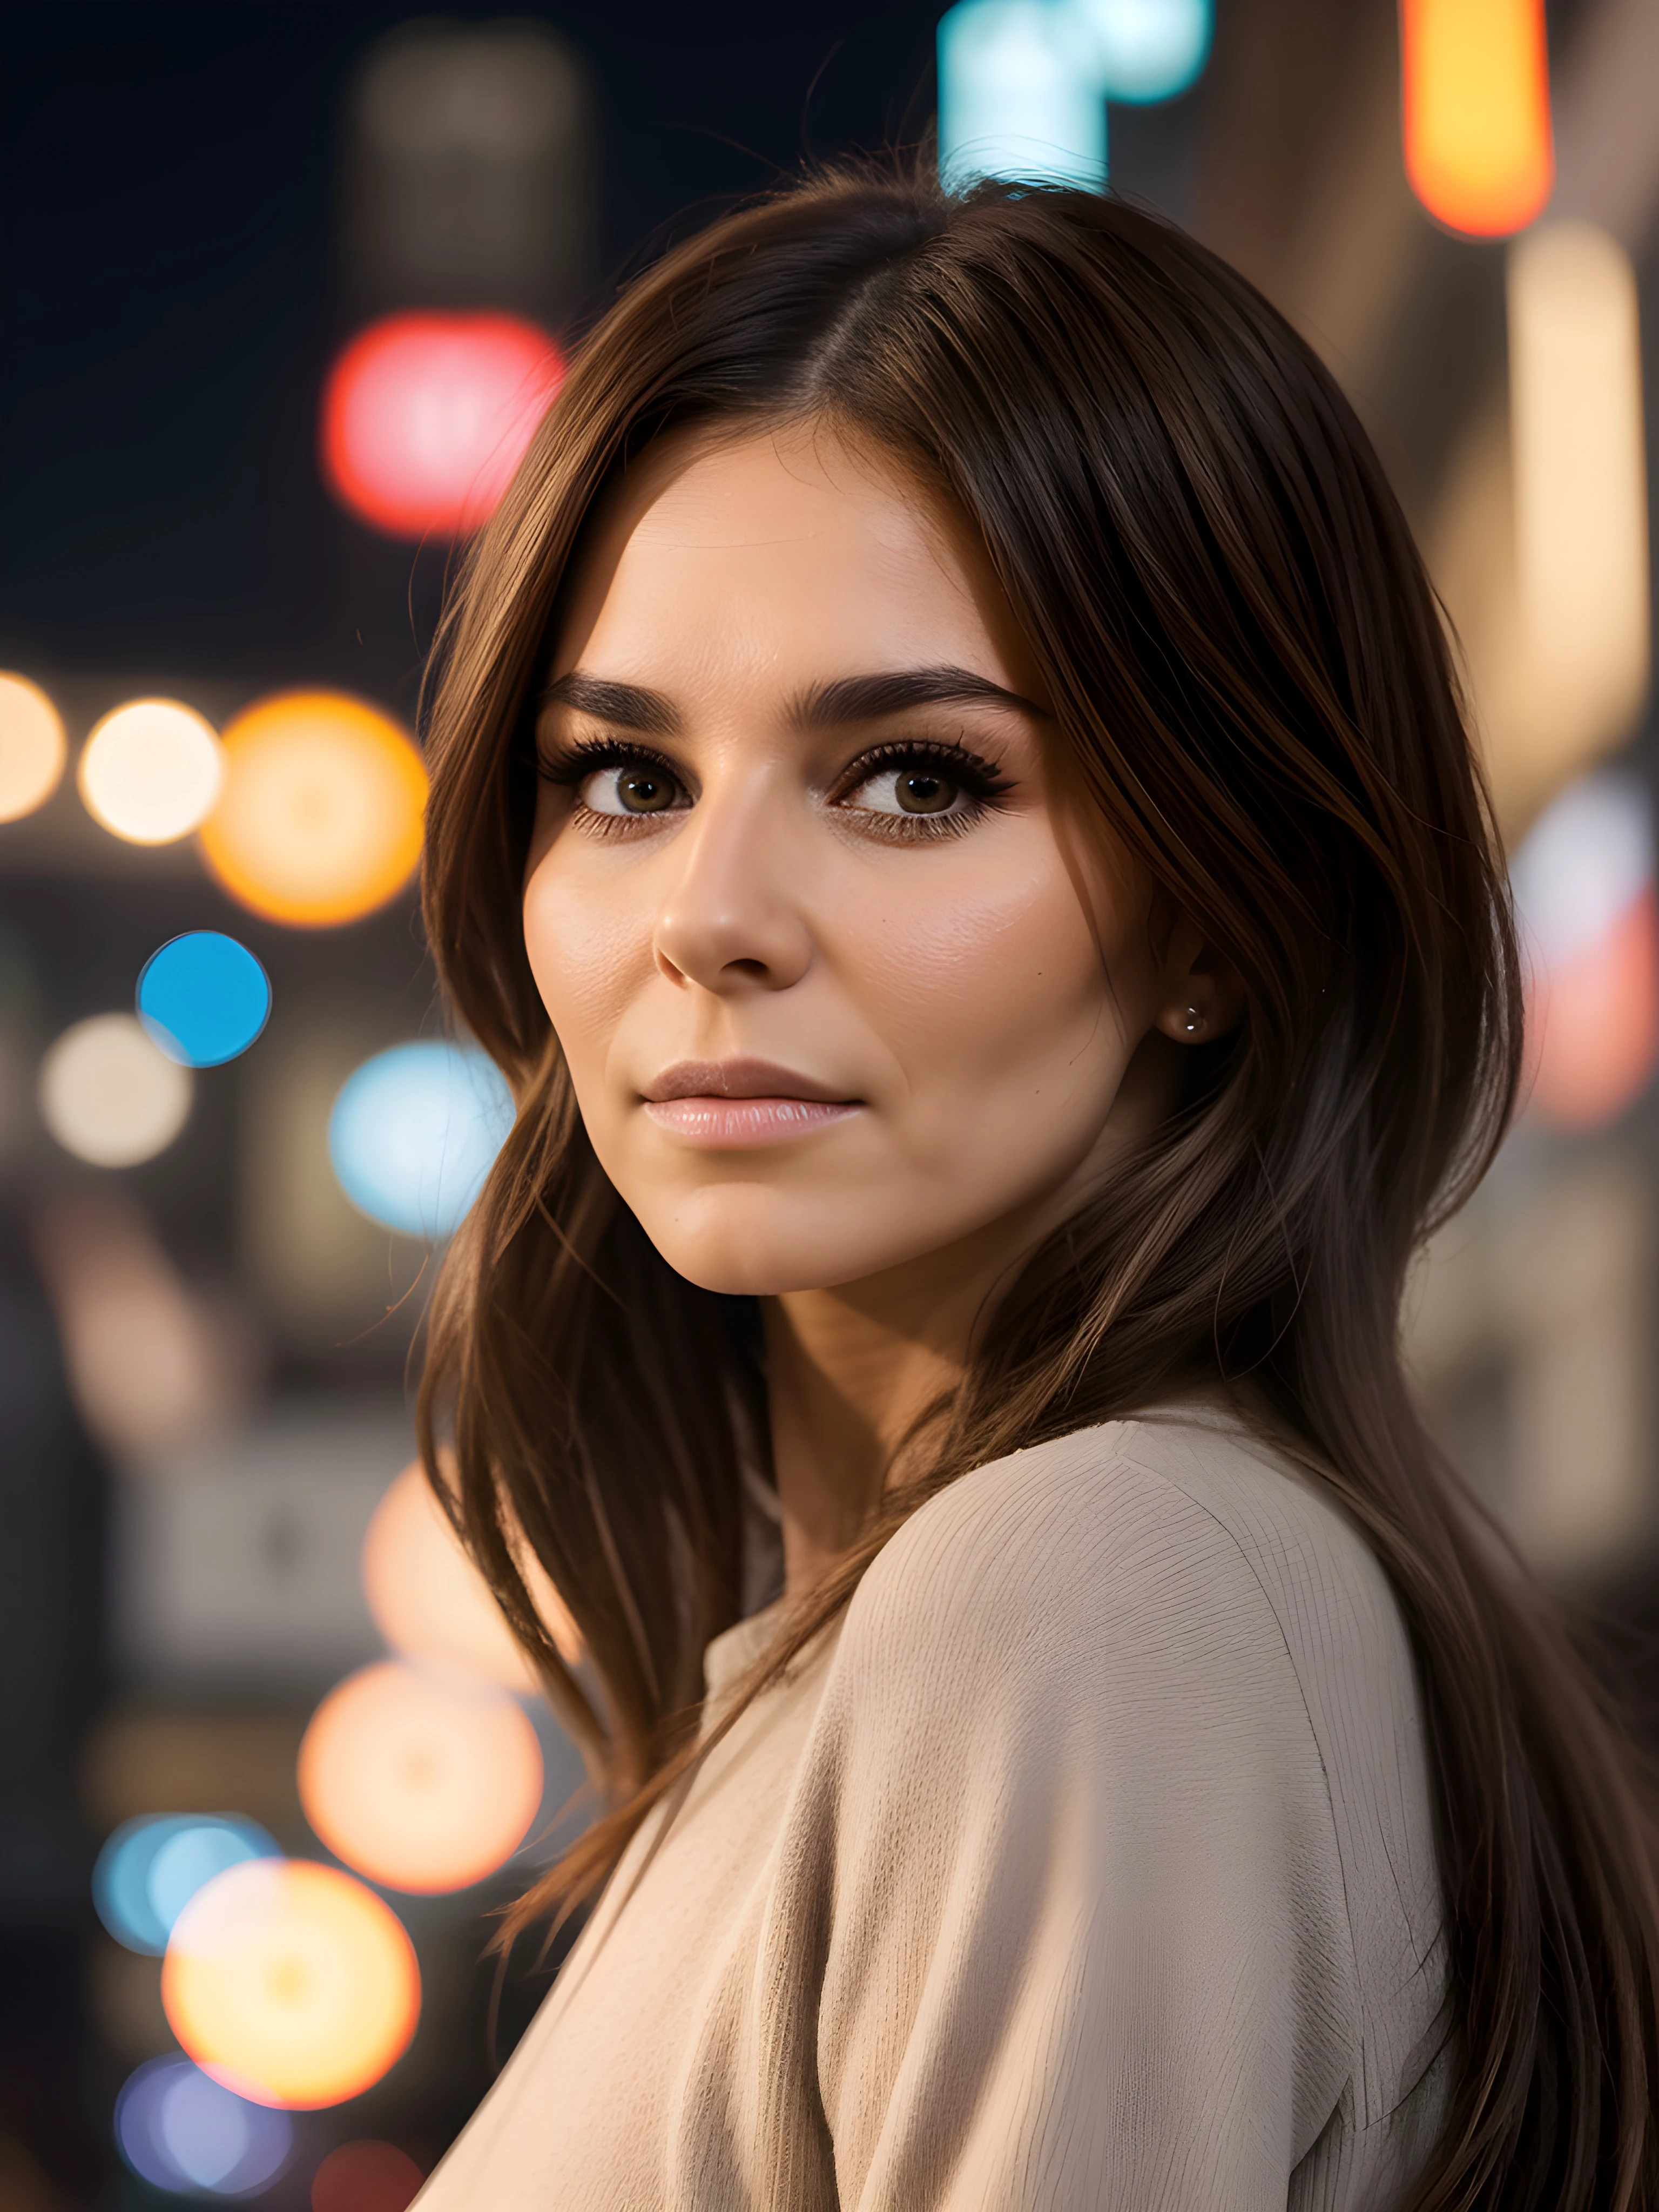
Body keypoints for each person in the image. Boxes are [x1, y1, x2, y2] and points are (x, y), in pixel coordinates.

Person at [410, 164, 1659, 2208]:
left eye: (918, 779)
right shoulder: (938, 1636)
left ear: (1221, 917)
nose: (708, 917)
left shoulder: (1084, 1589)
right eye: (624, 777)